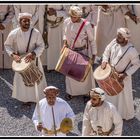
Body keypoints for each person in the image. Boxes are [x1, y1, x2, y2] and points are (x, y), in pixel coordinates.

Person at [4, 13, 47, 105]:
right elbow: (7, 45)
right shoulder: (14, 33)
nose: (27, 22)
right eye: (24, 21)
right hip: (21, 62)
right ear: (20, 22)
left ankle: (38, 99)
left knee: (37, 80)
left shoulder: (35, 32)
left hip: (33, 60)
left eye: (28, 21)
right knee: (22, 82)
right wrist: (13, 55)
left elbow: (41, 45)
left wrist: (33, 53)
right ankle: (24, 99)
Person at [101, 27, 140, 120]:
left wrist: (125, 74)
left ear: (126, 39)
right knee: (110, 95)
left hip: (122, 77)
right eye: (117, 36)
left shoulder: (132, 51)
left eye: (119, 37)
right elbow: (107, 50)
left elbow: (137, 64)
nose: (117, 38)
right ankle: (110, 114)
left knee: (123, 98)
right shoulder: (115, 41)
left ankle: (122, 115)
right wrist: (105, 60)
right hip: (111, 74)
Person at [63, 6, 97, 100]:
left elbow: (92, 40)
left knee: (84, 74)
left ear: (79, 16)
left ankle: (87, 93)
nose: (73, 19)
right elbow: (65, 35)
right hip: (71, 51)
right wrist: (65, 43)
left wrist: (94, 55)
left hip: (83, 52)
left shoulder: (86, 24)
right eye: (71, 16)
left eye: (75, 17)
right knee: (70, 73)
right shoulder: (66, 22)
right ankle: (71, 92)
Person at [45, 5, 69, 71]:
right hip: (47, 25)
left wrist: (56, 12)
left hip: (60, 25)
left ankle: (60, 66)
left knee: (60, 45)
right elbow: (40, 11)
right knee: (48, 45)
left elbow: (68, 12)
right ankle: (49, 65)